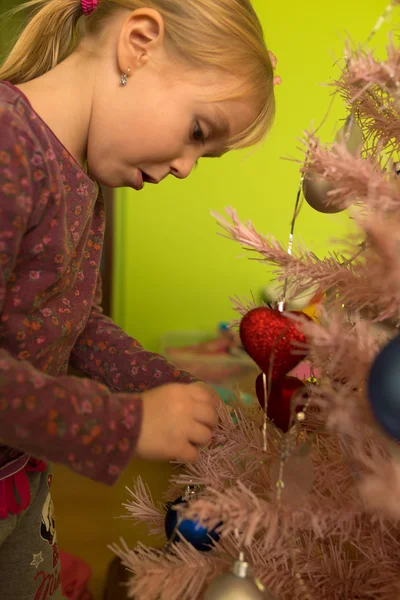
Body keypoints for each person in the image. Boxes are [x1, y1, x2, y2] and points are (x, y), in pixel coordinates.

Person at [0, 0, 276, 596]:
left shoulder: (79, 177)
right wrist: (126, 426)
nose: (186, 167)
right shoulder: (8, 147)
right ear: (139, 42)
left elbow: (72, 322)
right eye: (198, 133)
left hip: (19, 477)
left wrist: (167, 386)